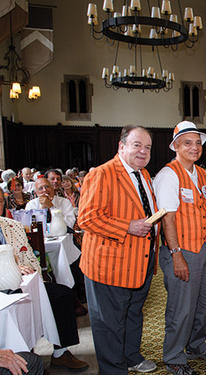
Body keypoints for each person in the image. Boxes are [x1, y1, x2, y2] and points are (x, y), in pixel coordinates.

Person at [78, 126, 158, 374]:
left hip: (140, 262)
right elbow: (87, 219)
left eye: (147, 147)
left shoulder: (143, 175)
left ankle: (131, 357)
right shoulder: (102, 174)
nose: (143, 151)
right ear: (121, 146)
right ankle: (114, 369)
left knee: (133, 314)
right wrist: (127, 227)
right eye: (137, 145)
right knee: (109, 325)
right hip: (109, 266)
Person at [153, 121, 206, 375]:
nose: (194, 147)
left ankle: (195, 344)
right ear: (176, 147)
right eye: (187, 143)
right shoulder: (168, 175)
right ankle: (173, 356)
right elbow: (167, 219)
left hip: (203, 248)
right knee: (181, 308)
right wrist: (176, 255)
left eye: (197, 143)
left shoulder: (202, 174)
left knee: (203, 304)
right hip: (180, 251)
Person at [0, 214, 88, 371]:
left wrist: (29, 274)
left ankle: (60, 354)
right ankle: (22, 361)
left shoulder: (12, 226)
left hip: (23, 282)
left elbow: (31, 260)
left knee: (62, 295)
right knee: (10, 311)